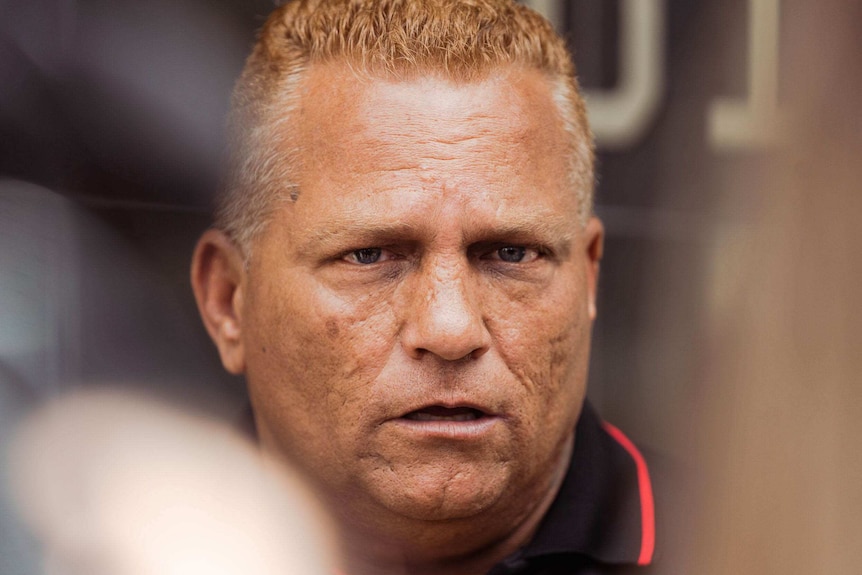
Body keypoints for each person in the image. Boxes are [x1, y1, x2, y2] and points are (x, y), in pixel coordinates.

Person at [190, 1, 658, 574]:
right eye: (369, 255)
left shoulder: (747, 550)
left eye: (510, 254)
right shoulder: (105, 550)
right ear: (227, 301)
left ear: (588, 277)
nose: (451, 329)